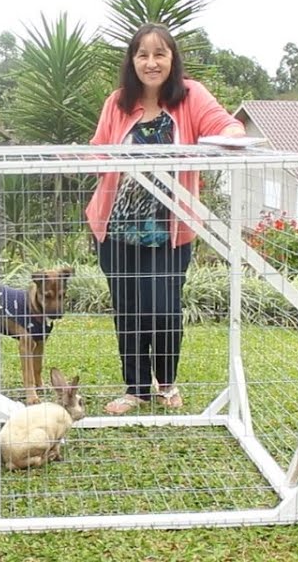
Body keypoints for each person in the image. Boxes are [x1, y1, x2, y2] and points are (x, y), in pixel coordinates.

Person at [84, 22, 245, 415]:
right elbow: (96, 150)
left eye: (160, 54)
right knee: (129, 309)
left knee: (162, 306)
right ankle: (135, 388)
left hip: (170, 229)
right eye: (142, 54)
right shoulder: (118, 101)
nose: (151, 62)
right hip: (115, 226)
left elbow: (229, 126)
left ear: (172, 59)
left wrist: (227, 140)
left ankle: (167, 383)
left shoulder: (190, 96)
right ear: (132, 61)